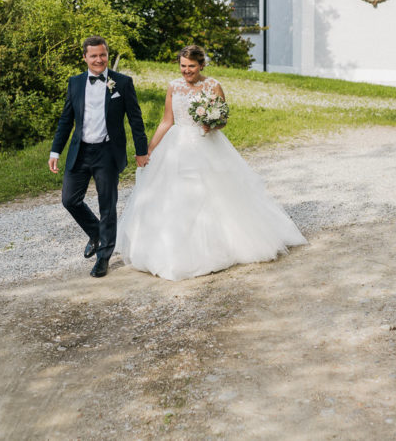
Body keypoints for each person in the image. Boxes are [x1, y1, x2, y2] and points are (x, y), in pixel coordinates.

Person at [117, 45, 306, 281]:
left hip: (207, 144)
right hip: (176, 146)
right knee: (174, 196)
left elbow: (223, 121)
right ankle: (171, 249)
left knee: (215, 194)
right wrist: (149, 149)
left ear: (202, 65)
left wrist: (212, 124)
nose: (187, 71)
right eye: (183, 66)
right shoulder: (173, 86)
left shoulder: (213, 85)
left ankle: (220, 246)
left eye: (192, 67)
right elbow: (167, 121)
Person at [49, 36, 149, 278]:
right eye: (93, 56)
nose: (99, 60)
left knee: (107, 205)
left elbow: (135, 119)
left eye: (102, 55)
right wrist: (55, 151)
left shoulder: (122, 83)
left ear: (107, 55)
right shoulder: (74, 83)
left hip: (107, 152)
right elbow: (66, 120)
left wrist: (141, 150)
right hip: (80, 150)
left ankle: (103, 257)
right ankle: (96, 233)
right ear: (84, 57)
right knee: (69, 200)